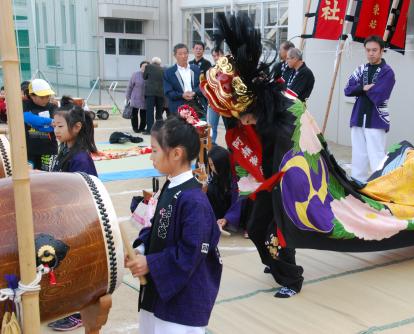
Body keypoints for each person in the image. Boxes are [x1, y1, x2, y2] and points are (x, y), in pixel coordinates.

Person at [201, 13, 304, 298]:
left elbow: (282, 162)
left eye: (242, 117)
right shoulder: (252, 123)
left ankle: (292, 278)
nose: (240, 122)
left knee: (278, 230)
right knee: (259, 228)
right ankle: (275, 263)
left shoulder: (277, 124)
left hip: (283, 184)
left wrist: (262, 182)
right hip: (265, 184)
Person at [125, 116, 222, 334]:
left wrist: (150, 263)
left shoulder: (194, 200)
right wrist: (140, 250)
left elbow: (191, 251)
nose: (151, 157)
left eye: (154, 150)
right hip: (160, 290)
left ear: (176, 153)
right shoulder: (170, 185)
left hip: (182, 301)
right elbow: (156, 228)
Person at [45, 104, 98, 331]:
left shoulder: (81, 159)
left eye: (60, 126)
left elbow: (85, 195)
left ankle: (79, 311)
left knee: (77, 267)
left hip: (77, 221)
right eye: (54, 125)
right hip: (63, 217)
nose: (56, 130)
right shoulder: (64, 149)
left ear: (76, 127)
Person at [344, 35, 396, 183]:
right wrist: (364, 88)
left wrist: (359, 89)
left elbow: (380, 95)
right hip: (358, 116)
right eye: (368, 50)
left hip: (377, 118)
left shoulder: (388, 72)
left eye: (374, 50)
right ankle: (357, 183)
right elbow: (348, 89)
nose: (371, 53)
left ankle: (379, 186)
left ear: (381, 51)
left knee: (377, 155)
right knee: (358, 154)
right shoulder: (360, 68)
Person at [207, 146, 246, 235]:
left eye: (212, 165)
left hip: (237, 210)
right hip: (225, 211)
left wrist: (227, 218)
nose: (211, 168)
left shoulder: (237, 175)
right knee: (210, 190)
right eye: (210, 165)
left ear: (221, 164)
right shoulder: (215, 176)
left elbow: (238, 201)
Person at [23, 79, 58, 171]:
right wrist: (49, 121)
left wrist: (34, 123)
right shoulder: (25, 105)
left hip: (49, 150)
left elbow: (55, 125)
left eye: (48, 96)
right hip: (30, 150)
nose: (46, 99)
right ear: (32, 96)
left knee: (47, 178)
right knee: (30, 177)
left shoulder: (52, 107)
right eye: (42, 97)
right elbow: (26, 117)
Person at [164, 43, 203, 116]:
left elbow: (201, 86)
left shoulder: (195, 69)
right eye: (180, 54)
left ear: (188, 54)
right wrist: (182, 95)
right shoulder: (169, 72)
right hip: (177, 106)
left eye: (185, 53)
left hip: (194, 105)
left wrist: (194, 92)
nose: (183, 56)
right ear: (175, 55)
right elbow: (168, 92)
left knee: (196, 126)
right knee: (179, 127)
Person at [143, 57, 165, 135]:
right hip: (160, 93)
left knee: (150, 111)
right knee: (159, 112)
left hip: (150, 92)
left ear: (152, 62)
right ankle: (159, 130)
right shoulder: (163, 69)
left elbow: (144, 77)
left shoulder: (148, 67)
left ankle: (149, 129)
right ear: (159, 63)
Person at [207, 47, 225, 142]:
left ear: (223, 55)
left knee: (230, 128)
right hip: (213, 103)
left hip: (227, 104)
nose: (216, 58)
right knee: (212, 127)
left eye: (218, 55)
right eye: (214, 56)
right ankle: (212, 146)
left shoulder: (230, 69)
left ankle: (232, 149)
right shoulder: (211, 70)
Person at [126, 60, 149, 133]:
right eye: (143, 66)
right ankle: (135, 128)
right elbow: (130, 86)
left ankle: (142, 128)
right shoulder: (135, 74)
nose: (145, 68)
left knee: (144, 115)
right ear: (140, 67)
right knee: (134, 114)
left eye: (146, 66)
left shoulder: (150, 75)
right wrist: (127, 97)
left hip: (145, 98)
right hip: (135, 97)